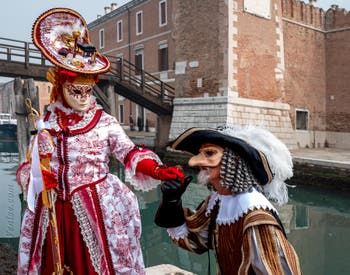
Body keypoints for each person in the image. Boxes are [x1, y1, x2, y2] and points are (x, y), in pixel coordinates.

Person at [16, 8, 184, 274]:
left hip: (94, 209)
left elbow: (128, 152)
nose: (83, 97)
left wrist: (156, 169)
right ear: (61, 85)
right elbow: (28, 166)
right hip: (52, 213)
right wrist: (36, 177)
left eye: (88, 90)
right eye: (75, 90)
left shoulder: (103, 122)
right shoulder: (46, 123)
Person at [155, 125, 302, 274]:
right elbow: (194, 241)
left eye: (210, 153)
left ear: (233, 162)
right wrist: (171, 202)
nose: (195, 162)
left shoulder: (256, 217)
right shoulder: (218, 202)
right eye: (200, 154)